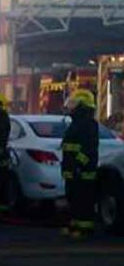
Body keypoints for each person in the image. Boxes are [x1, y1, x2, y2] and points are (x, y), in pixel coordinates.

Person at [61, 89, 99, 239]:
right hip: (73, 169)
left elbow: (88, 149)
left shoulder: (89, 124)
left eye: (74, 104)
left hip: (84, 171)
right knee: (73, 198)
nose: (71, 107)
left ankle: (85, 229)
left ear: (82, 106)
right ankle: (74, 225)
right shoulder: (76, 123)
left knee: (84, 200)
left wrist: (78, 165)